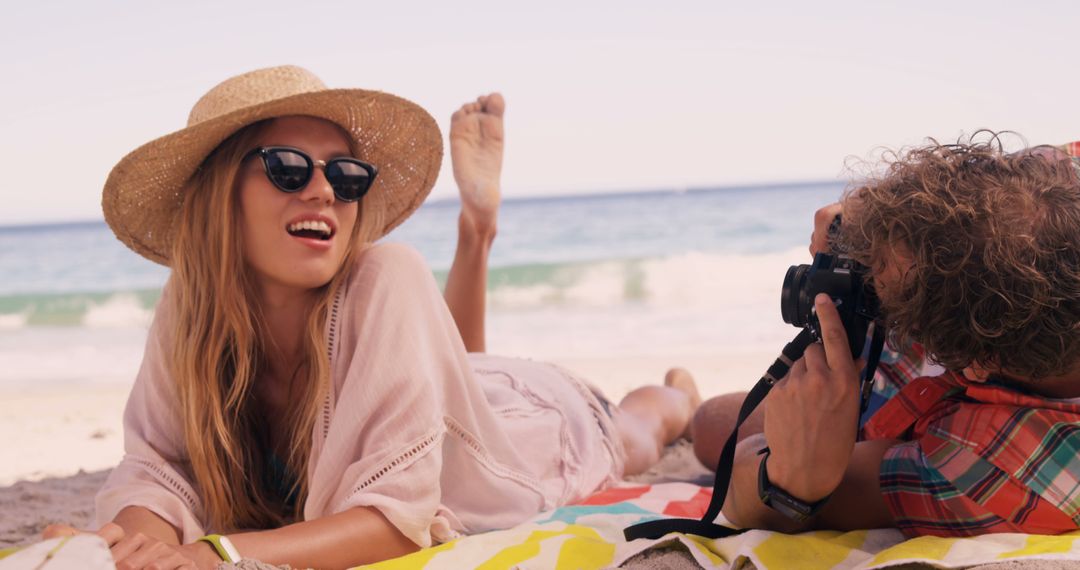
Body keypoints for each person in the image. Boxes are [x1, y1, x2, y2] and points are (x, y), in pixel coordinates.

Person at [41, 66, 701, 569]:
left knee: (639, 430)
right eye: (288, 167)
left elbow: (396, 520)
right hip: (449, 393)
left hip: (532, 431)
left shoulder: (387, 273)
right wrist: (125, 545)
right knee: (462, 373)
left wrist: (218, 553)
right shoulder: (190, 307)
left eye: (347, 176)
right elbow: (160, 470)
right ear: (220, 195)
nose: (324, 189)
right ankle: (477, 232)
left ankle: (676, 392)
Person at [690, 136, 1080, 538]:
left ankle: (669, 405)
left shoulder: (1007, 465)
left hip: (935, 414)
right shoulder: (1059, 179)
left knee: (712, 427)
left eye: (889, 303)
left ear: (974, 363)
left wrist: (793, 480)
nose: (864, 281)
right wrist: (874, 207)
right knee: (715, 417)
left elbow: (753, 502)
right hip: (942, 375)